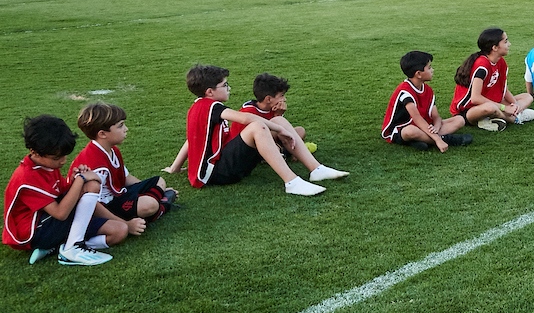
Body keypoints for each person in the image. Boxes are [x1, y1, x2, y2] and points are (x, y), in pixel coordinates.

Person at [163, 65, 348, 195]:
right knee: (258, 126)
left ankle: (316, 169)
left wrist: (175, 167)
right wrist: (278, 129)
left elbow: (191, 139)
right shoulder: (209, 106)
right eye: (225, 85)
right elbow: (247, 118)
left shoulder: (201, 107)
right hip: (216, 174)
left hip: (222, 167)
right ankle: (292, 182)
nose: (229, 88)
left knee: (278, 121)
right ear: (209, 92)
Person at [4, 115, 130, 266]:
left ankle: (59, 246)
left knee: (119, 231)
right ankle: (72, 248)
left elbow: (64, 193)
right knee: (91, 185)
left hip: (53, 224)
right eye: (57, 158)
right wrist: (80, 180)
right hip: (36, 233)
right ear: (34, 152)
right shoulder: (26, 177)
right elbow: (61, 213)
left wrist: (77, 178)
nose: (63, 161)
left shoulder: (49, 165)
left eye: (64, 156)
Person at [72, 103, 176, 226]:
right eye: (120, 126)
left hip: (119, 195)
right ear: (102, 134)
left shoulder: (111, 149)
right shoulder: (94, 164)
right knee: (149, 205)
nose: (126, 129)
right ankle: (161, 207)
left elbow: (126, 177)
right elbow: (92, 205)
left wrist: (153, 189)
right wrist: (125, 224)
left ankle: (157, 201)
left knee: (160, 181)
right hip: (108, 206)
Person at [382, 51, 472, 151]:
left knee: (459, 120)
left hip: (425, 126)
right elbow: (417, 119)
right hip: (401, 129)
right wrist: (437, 139)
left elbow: (436, 116)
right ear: (419, 74)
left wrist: (437, 127)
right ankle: (446, 139)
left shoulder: (428, 89)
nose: (432, 70)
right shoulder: (405, 92)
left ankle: (421, 141)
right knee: (410, 131)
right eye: (429, 68)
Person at [450, 28, 534, 132]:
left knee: (527, 96)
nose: (509, 44)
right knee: (490, 108)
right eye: (505, 41)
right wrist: (505, 108)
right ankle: (513, 119)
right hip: (469, 110)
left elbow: (504, 89)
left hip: (492, 101)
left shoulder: (501, 62)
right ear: (495, 47)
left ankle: (500, 117)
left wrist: (515, 106)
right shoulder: (481, 66)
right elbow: (475, 98)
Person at [229, 73, 317, 157]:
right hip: (250, 148)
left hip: (272, 141)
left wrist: (278, 115)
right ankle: (286, 152)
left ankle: (287, 151)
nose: (284, 99)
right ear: (268, 99)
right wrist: (277, 116)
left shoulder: (272, 108)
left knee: (300, 131)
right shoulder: (248, 112)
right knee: (275, 135)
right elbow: (260, 136)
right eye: (281, 96)